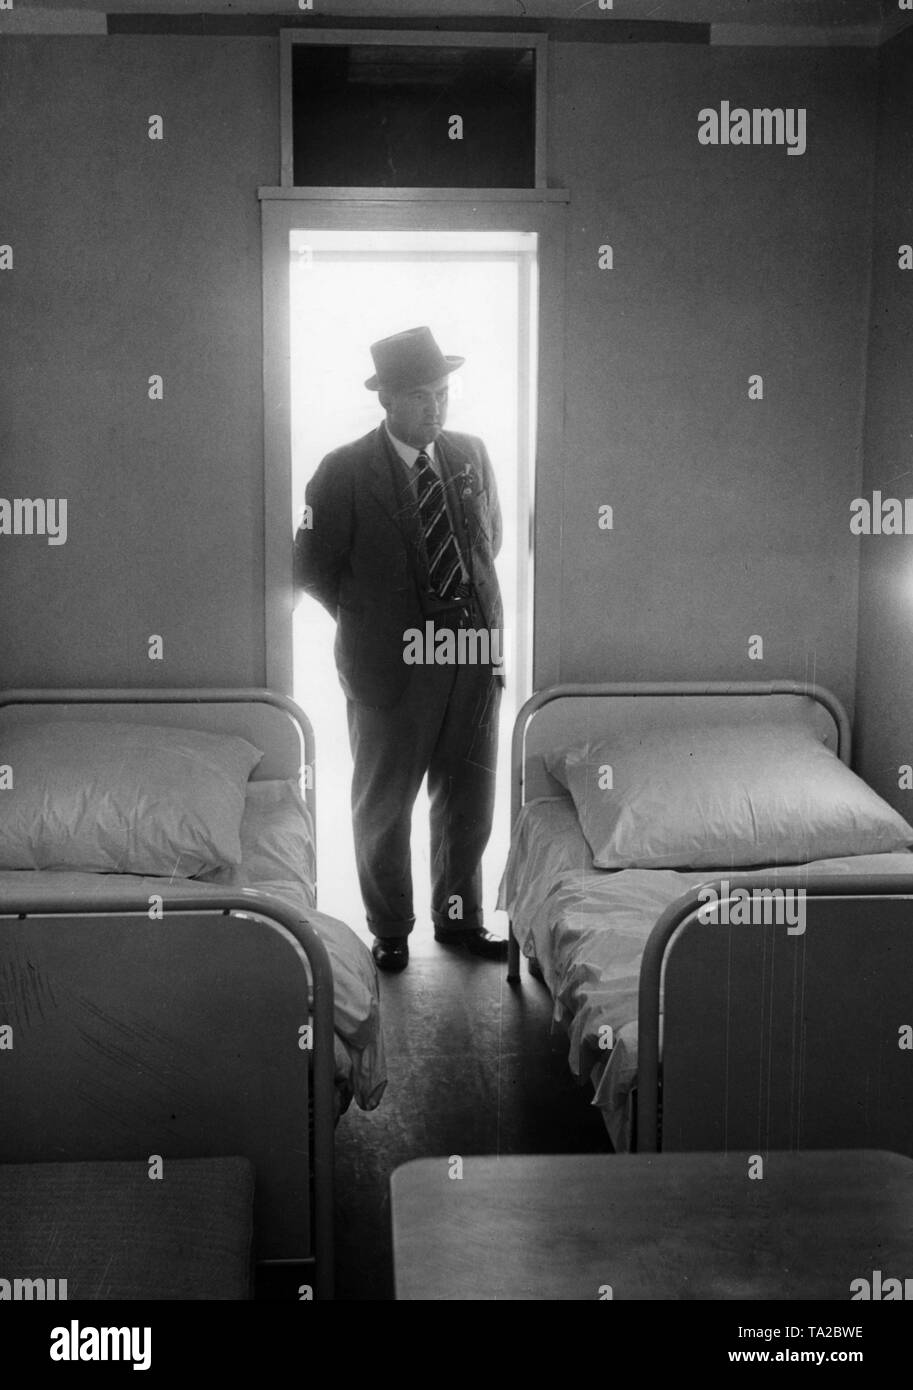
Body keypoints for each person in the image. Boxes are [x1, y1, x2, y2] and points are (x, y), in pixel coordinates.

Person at [295, 326, 507, 972]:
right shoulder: (343, 469)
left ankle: (458, 918)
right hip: (389, 666)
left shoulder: (469, 454)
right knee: (385, 803)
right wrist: (375, 622)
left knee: (467, 796)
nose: (435, 408)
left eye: (441, 394)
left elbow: (486, 544)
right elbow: (311, 568)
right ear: (386, 399)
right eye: (419, 397)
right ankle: (390, 928)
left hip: (467, 653)